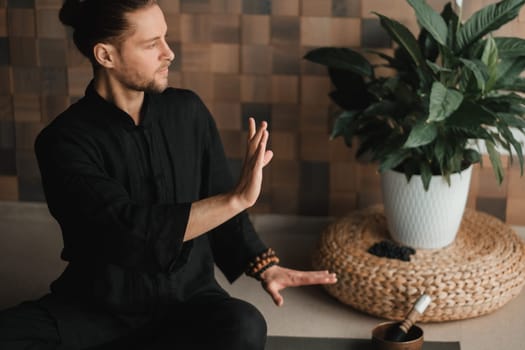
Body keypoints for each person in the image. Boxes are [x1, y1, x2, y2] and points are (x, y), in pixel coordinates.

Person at [0, 1, 337, 349]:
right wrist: (235, 198)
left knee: (245, 325)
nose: (169, 53)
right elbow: (126, 229)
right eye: (151, 44)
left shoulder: (188, 111)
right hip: (97, 308)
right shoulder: (63, 140)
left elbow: (219, 204)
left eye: (165, 38)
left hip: (188, 300)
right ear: (105, 55)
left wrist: (265, 266)